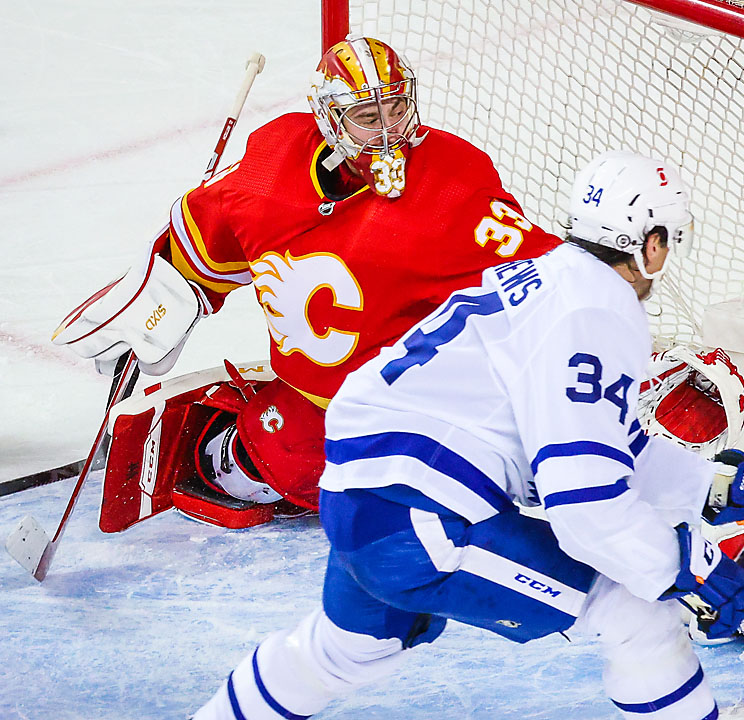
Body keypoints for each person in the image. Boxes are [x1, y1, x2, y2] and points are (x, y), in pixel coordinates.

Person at [190, 151, 744, 719]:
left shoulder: (543, 279)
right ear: (650, 243)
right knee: (639, 613)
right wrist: (685, 566)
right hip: (421, 517)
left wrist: (731, 488)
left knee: (343, 650)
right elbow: (583, 503)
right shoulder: (597, 309)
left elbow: (601, 448)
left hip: (364, 499)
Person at [51, 36, 562, 525]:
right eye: (368, 117)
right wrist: (163, 298)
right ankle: (239, 434)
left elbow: (546, 275)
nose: (390, 131)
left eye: (396, 108)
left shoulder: (453, 180)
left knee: (427, 489)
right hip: (311, 399)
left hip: (420, 399)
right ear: (330, 118)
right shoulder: (274, 161)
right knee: (255, 466)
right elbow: (210, 230)